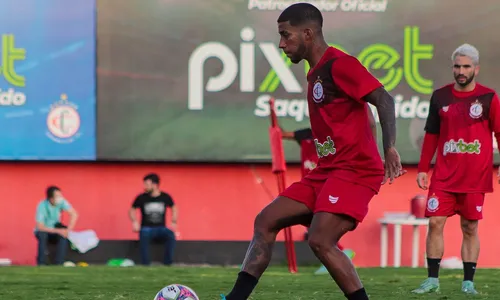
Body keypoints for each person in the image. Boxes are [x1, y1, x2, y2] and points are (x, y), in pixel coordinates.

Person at [221, 3, 404, 300]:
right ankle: (235, 298)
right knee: (265, 221)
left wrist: (389, 148)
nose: (281, 44)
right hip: (327, 172)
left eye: (285, 35)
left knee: (320, 240)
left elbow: (384, 100)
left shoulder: (339, 64)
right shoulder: (315, 73)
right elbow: (366, 117)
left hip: (354, 172)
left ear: (307, 33)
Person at [412, 44, 500, 295]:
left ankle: (468, 282)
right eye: (457, 66)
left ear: (476, 69)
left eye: (466, 66)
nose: (461, 71)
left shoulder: (488, 98)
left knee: (470, 227)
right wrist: (422, 169)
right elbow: (431, 135)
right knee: (435, 222)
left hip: (475, 176)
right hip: (443, 176)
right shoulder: (440, 96)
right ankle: (432, 280)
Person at [280, 106, 378, 274]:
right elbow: (283, 134)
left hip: (327, 183)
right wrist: (273, 121)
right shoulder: (305, 133)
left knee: (320, 226)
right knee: (312, 226)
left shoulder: (334, 135)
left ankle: (339, 252)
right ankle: (337, 252)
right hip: (309, 182)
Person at [129, 173, 178, 265]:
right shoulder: (141, 198)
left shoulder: (165, 197)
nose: (145, 187)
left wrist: (174, 222)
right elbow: (132, 210)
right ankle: (146, 264)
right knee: (144, 234)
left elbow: (174, 207)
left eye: (147, 184)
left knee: (170, 234)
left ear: (155, 185)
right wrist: (134, 222)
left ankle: (168, 263)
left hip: (161, 228)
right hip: (146, 228)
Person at [34, 186, 78, 266]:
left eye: (60, 196)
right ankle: (41, 263)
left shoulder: (62, 202)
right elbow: (40, 227)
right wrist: (59, 231)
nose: (60, 198)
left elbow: (74, 214)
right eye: (57, 196)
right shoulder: (42, 206)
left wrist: (67, 230)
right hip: (44, 230)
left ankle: (59, 263)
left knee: (63, 236)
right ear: (51, 198)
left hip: (55, 230)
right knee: (42, 235)